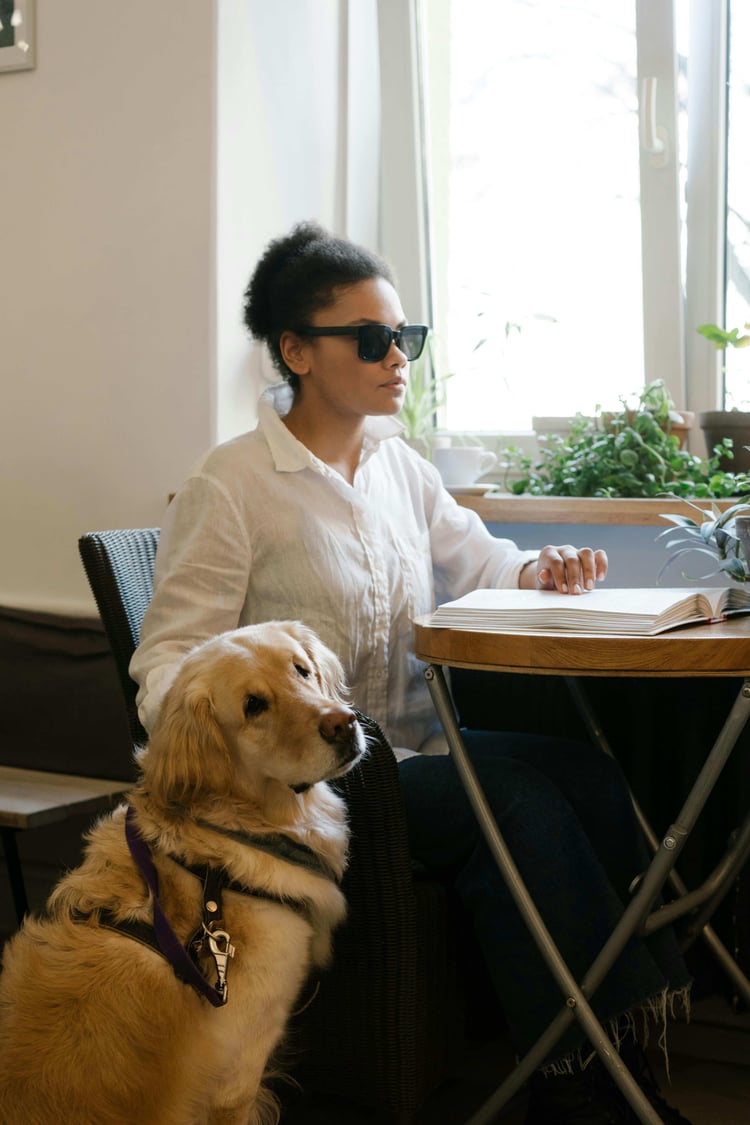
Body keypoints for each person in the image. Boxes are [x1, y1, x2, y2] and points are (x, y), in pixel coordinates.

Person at [131, 221, 693, 1125]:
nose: (398, 357)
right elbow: (166, 663)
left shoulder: (400, 465)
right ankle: (580, 1084)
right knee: (518, 800)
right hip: (325, 786)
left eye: (407, 337)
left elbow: (480, 563)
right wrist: (240, 736)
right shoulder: (232, 484)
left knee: (584, 772)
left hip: (416, 749)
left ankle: (613, 1038)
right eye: (372, 339)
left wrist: (540, 569)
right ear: (295, 351)